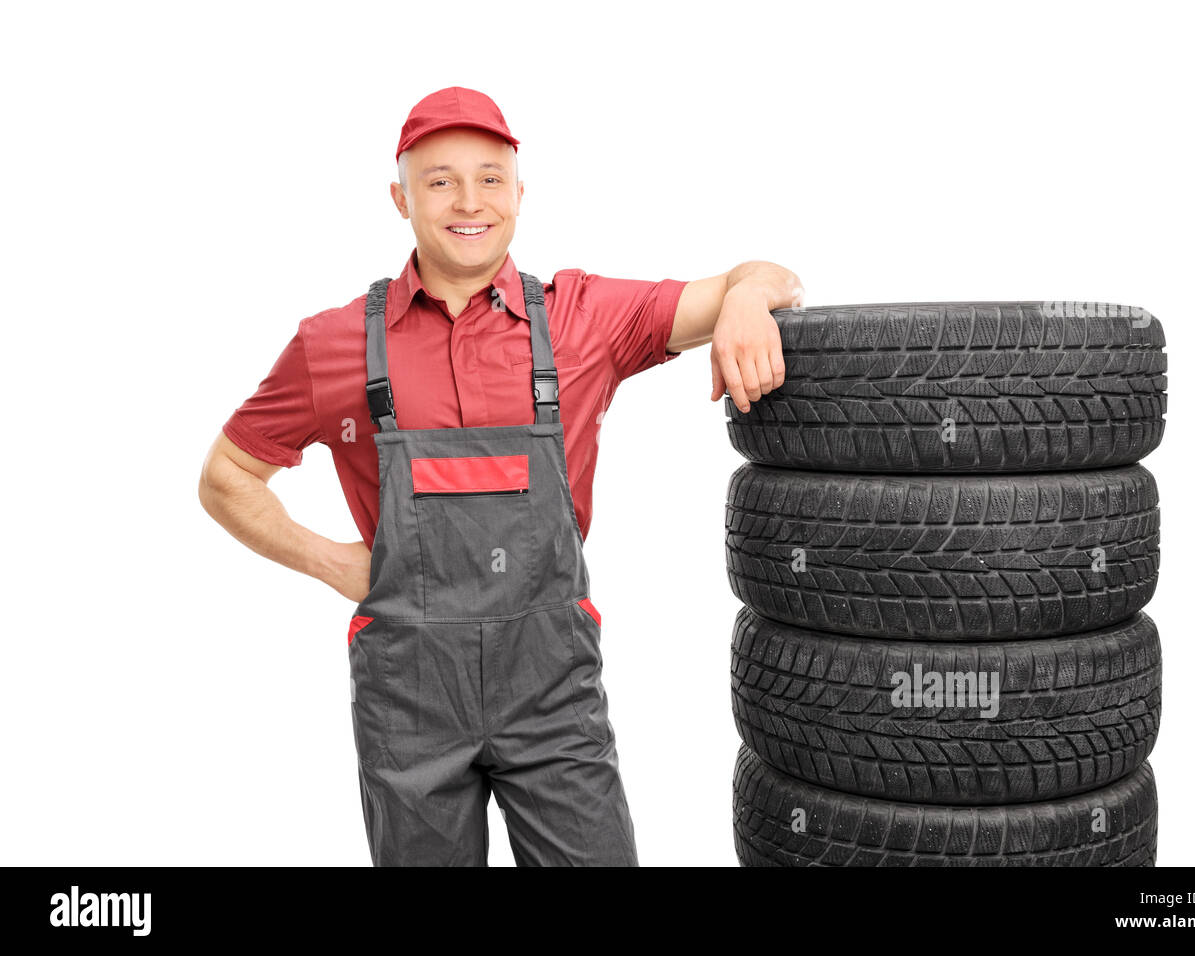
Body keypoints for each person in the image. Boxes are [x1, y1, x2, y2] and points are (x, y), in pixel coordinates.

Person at [198, 86, 802, 866]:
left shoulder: (584, 319)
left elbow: (764, 274)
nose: (468, 200)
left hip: (550, 693)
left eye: (490, 177)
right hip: (409, 698)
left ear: (519, 192)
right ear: (401, 197)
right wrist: (333, 560)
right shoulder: (336, 342)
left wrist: (748, 297)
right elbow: (227, 476)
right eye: (440, 179)